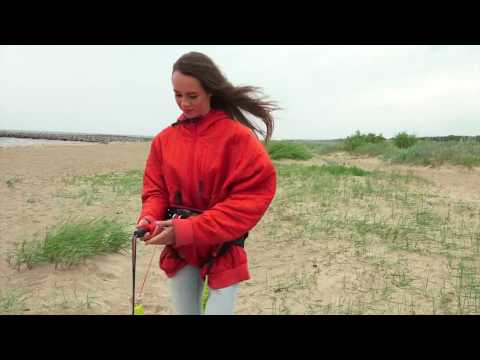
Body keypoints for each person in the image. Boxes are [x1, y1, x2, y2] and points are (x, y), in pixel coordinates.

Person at [135, 51, 278, 315]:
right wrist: (149, 219)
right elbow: (155, 191)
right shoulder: (164, 140)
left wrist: (188, 229)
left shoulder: (238, 139)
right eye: (177, 95)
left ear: (210, 91)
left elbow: (248, 201)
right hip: (181, 249)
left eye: (192, 96)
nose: (183, 103)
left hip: (222, 246)